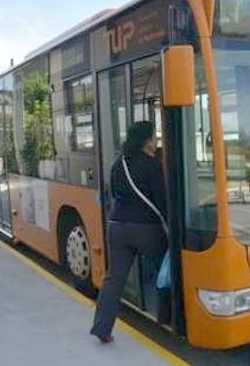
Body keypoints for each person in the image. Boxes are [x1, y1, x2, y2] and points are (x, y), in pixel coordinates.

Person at [90, 121, 167, 343]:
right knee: (163, 269)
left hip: (117, 227)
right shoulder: (153, 165)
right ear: (146, 140)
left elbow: (113, 193)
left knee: (114, 279)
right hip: (146, 230)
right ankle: (166, 316)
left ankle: (102, 328)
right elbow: (161, 200)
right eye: (154, 137)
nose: (155, 142)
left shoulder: (118, 164)